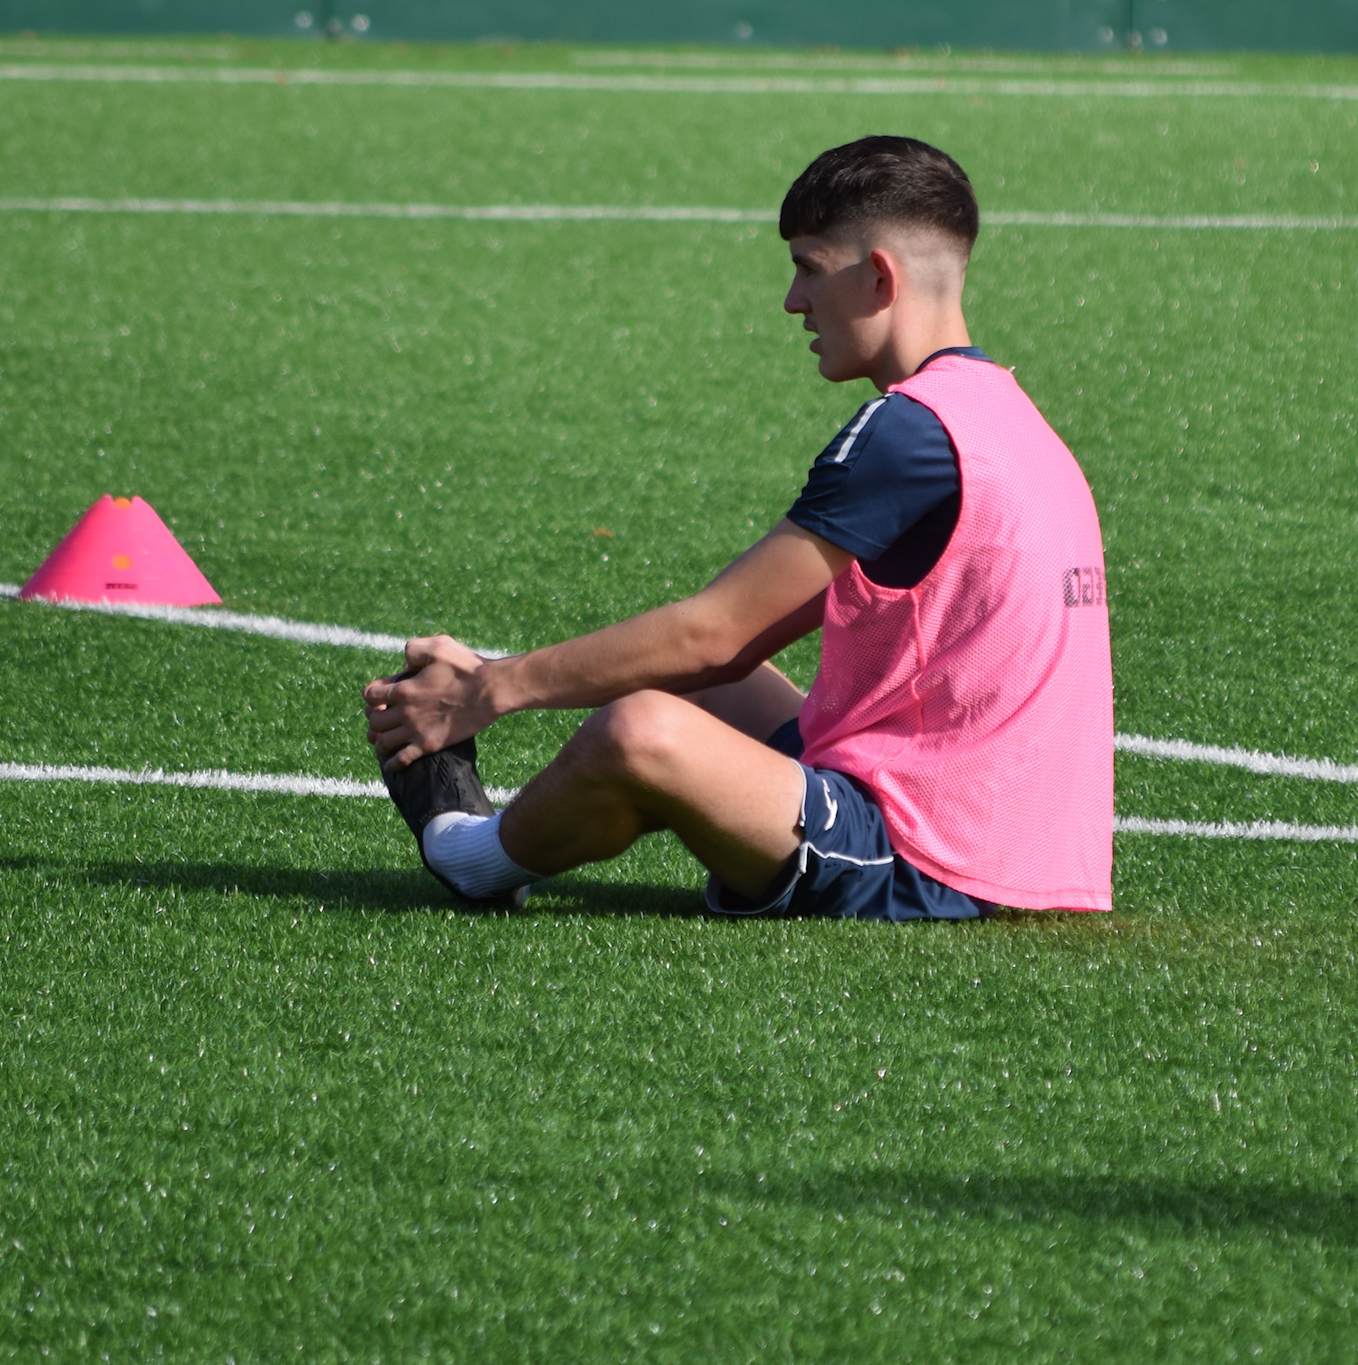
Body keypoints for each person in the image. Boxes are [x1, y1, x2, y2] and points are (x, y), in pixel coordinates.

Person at [363, 135, 1113, 919]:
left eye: (809, 269)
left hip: (931, 857)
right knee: (677, 676)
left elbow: (712, 634)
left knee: (642, 727)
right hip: (1013, 845)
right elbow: (733, 650)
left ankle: (469, 855)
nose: (793, 301)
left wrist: (486, 689)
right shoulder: (1009, 415)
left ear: (880, 276)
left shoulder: (908, 430)